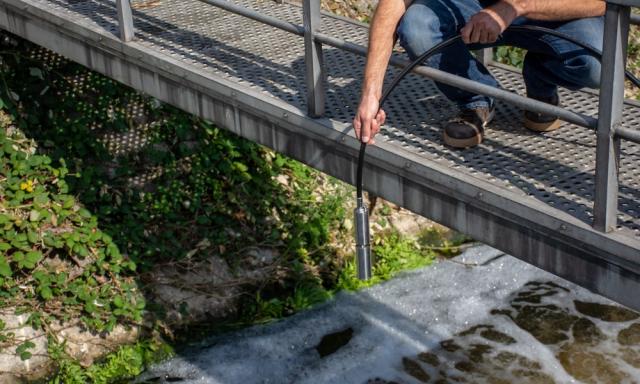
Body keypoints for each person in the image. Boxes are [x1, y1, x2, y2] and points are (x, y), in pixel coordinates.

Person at [353, 0, 606, 148]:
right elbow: (395, 2)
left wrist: (514, 7)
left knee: (595, 60)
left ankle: (541, 81)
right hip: (473, 8)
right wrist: (371, 94)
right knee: (417, 26)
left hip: (552, 11)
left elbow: (600, 2)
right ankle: (476, 98)